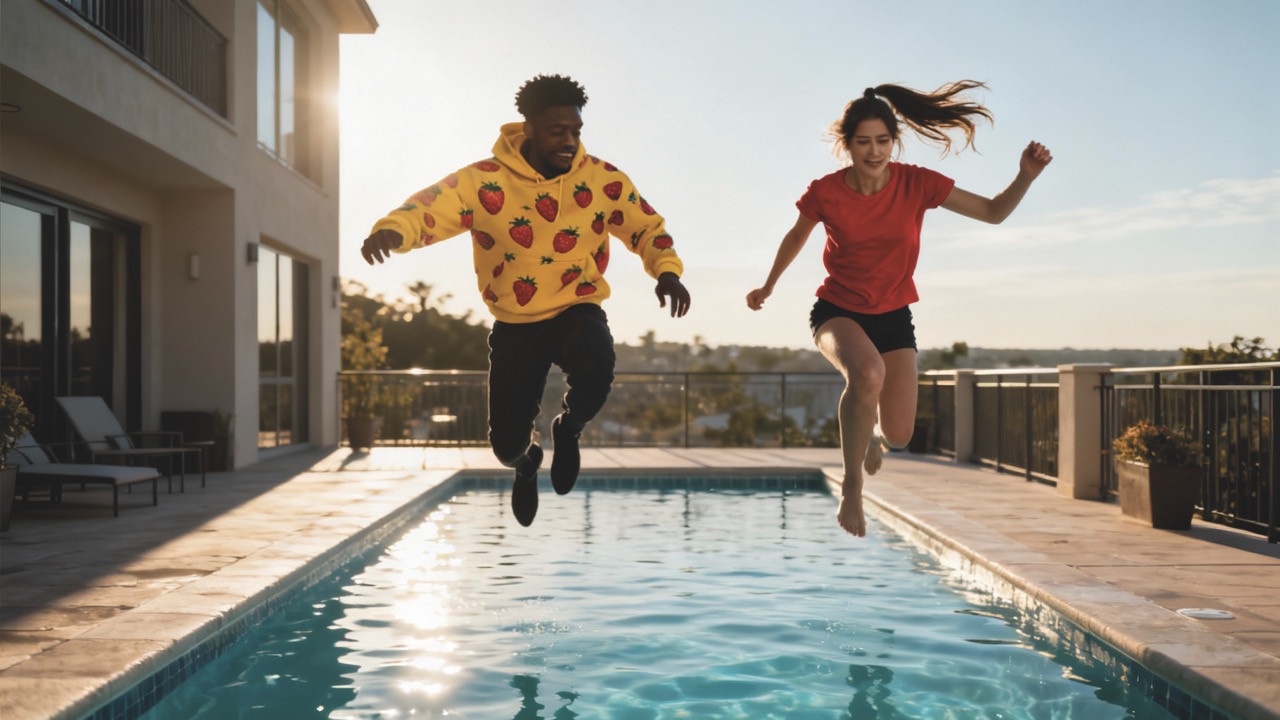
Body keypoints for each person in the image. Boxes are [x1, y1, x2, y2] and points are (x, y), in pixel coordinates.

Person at [361, 74, 691, 527]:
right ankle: (526, 462)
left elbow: (646, 227)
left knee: (596, 367)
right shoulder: (484, 180)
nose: (570, 141)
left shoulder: (602, 179)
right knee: (505, 445)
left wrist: (667, 271)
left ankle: (568, 429)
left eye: (576, 131)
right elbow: (431, 208)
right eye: (558, 131)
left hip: (578, 305)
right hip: (516, 322)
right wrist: (394, 230)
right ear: (530, 127)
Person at [746, 81, 1052, 538]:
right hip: (837, 310)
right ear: (846, 144)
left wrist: (1025, 175)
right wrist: (768, 285)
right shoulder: (826, 192)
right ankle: (852, 487)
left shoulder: (917, 183)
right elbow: (795, 237)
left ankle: (872, 437)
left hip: (893, 316)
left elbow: (991, 212)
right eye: (863, 142)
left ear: (895, 141)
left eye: (883, 141)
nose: (874, 152)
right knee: (866, 374)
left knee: (902, 434)